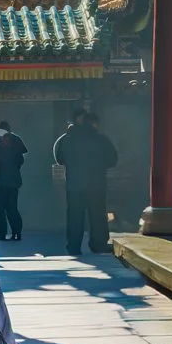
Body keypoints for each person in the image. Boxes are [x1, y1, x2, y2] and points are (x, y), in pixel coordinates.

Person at [53, 106, 118, 256]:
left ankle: (74, 246)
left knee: (75, 216)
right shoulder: (102, 139)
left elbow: (60, 159)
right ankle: (99, 244)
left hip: (74, 185)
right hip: (97, 184)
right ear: (94, 124)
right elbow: (112, 160)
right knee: (97, 216)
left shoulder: (67, 139)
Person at [0, 124, 28, 243]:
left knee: (0, 208)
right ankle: (17, 232)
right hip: (14, 182)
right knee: (12, 208)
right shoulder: (16, 154)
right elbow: (20, 162)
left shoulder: (0, 151)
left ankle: (2, 233)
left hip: (2, 183)